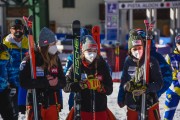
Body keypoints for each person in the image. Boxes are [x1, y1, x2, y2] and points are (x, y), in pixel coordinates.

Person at [19, 27, 66, 120]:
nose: (55, 46)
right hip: (35, 104)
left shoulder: (55, 59)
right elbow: (23, 82)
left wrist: (56, 83)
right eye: (52, 44)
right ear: (45, 46)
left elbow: (63, 81)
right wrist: (45, 82)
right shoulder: (30, 59)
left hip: (53, 103)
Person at [64, 35, 114, 120]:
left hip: (100, 110)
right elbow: (65, 86)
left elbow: (110, 89)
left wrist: (101, 87)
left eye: (94, 51)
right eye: (89, 50)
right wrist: (83, 85)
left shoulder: (102, 65)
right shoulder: (76, 65)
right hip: (82, 110)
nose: (92, 53)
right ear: (83, 51)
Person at [117, 30, 163, 120]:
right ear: (130, 50)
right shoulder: (128, 61)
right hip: (132, 103)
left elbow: (159, 83)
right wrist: (123, 94)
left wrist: (147, 88)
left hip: (150, 104)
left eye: (139, 48)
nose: (137, 51)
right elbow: (123, 80)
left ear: (143, 47)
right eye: (134, 49)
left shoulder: (151, 61)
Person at [3, 19, 29, 119]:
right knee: (13, 112)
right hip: (11, 83)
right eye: (15, 28)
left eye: (20, 28)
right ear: (10, 30)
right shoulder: (5, 45)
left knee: (28, 110)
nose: (18, 30)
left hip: (26, 82)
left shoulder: (28, 42)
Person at [136, 28, 172, 98]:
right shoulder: (131, 58)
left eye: (141, 41)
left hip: (150, 98)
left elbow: (167, 77)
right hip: (134, 99)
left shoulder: (156, 57)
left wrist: (155, 91)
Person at [163, 34, 180, 120]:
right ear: (177, 44)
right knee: (167, 116)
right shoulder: (170, 57)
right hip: (173, 91)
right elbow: (165, 73)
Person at [0, 43, 14, 120]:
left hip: (3, 90)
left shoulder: (4, 49)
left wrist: (12, 84)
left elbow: (10, 69)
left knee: (9, 116)